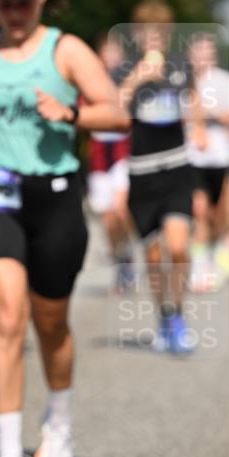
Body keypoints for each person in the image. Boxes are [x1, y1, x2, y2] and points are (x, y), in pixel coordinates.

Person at [0, 0, 128, 457]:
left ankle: (58, 423)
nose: (12, 13)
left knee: (51, 323)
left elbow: (117, 114)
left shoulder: (66, 49)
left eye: (22, 3)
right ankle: (8, 456)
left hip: (53, 195)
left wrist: (71, 114)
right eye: (3, 3)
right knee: (9, 314)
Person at [117, 0, 206, 354]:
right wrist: (138, 78)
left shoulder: (181, 67)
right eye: (146, 33)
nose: (152, 39)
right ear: (137, 36)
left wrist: (198, 125)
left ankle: (179, 313)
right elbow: (113, 112)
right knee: (153, 256)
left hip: (177, 168)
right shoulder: (127, 70)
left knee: (179, 246)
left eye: (159, 33)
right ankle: (164, 315)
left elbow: (196, 103)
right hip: (142, 172)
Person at [186, 32, 229, 291]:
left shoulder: (224, 81)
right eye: (198, 51)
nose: (202, 58)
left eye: (207, 52)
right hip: (193, 157)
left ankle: (220, 251)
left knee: (221, 214)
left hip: (220, 156)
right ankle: (199, 267)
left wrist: (210, 114)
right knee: (199, 211)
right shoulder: (182, 81)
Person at [86, 34, 134, 292]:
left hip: (122, 153)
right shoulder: (89, 80)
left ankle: (127, 251)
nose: (111, 57)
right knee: (107, 218)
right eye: (107, 52)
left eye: (115, 52)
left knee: (120, 209)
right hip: (98, 155)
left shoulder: (130, 80)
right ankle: (122, 261)